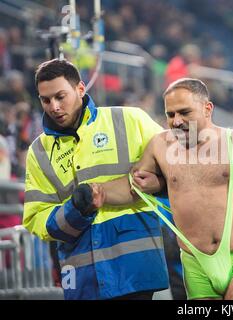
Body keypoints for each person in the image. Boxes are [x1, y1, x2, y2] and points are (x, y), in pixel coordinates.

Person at [94, 78, 233, 300]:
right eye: (170, 114)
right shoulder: (160, 146)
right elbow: (133, 185)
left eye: (184, 112)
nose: (176, 121)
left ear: (207, 109)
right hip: (195, 265)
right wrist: (97, 192)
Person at [22, 59, 169, 300]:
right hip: (82, 276)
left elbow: (176, 168)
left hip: (134, 269)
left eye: (61, 96)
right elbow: (35, 219)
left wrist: (159, 185)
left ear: (80, 89)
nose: (54, 107)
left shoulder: (130, 120)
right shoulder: (38, 152)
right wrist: (75, 210)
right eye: (45, 100)